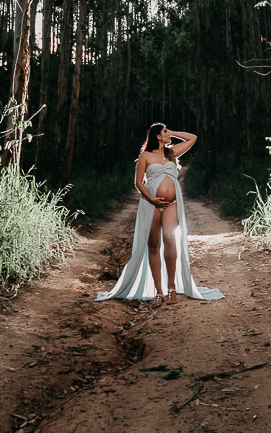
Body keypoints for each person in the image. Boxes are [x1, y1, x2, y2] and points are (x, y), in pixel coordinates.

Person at [96, 122, 224, 306]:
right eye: (165, 131)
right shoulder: (146, 156)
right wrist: (151, 199)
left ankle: (172, 288)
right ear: (157, 135)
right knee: (154, 245)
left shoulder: (172, 153)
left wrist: (172, 132)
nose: (168, 133)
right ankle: (159, 291)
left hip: (172, 204)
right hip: (151, 204)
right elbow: (138, 183)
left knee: (170, 239)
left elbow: (193, 138)